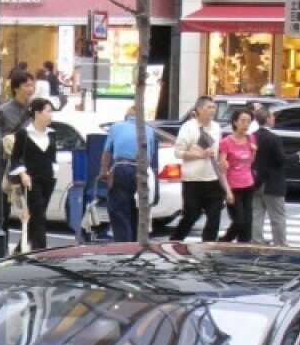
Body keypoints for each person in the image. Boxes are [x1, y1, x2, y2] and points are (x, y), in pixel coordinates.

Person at [172, 96, 228, 242]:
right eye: (209, 108)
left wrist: (223, 160)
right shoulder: (188, 128)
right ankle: (175, 240)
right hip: (193, 180)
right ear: (200, 109)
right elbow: (178, 152)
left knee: (215, 213)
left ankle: (208, 244)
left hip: (213, 178)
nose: (213, 111)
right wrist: (200, 154)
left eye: (214, 108)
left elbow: (219, 148)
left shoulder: (216, 127)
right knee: (192, 214)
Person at [98, 109, 158, 243]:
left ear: (126, 117)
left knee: (119, 209)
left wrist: (103, 172)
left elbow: (107, 152)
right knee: (138, 209)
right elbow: (150, 154)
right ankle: (137, 242)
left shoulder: (116, 127)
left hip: (121, 168)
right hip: (141, 170)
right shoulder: (148, 129)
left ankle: (124, 244)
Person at [8, 96, 57, 251]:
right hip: (30, 181)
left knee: (37, 215)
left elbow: (52, 156)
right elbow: (16, 157)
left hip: (48, 179)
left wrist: (54, 171)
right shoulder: (24, 133)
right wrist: (23, 174)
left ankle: (18, 249)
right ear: (37, 113)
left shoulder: (52, 133)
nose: (50, 115)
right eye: (48, 111)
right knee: (39, 216)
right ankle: (40, 252)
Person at [250, 102, 288, 246]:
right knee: (277, 217)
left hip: (255, 180)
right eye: (272, 117)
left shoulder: (252, 137)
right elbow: (281, 160)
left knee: (256, 215)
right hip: (272, 182)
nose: (274, 119)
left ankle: (256, 241)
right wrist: (297, 157)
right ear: (267, 119)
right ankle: (280, 244)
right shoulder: (274, 139)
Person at [218, 106, 258, 243]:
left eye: (248, 121)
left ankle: (244, 249)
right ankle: (224, 241)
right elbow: (222, 169)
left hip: (248, 184)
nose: (245, 124)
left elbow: (251, 162)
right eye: (242, 121)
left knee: (248, 223)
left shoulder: (251, 139)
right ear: (235, 122)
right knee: (239, 221)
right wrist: (228, 192)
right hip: (233, 187)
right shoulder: (226, 142)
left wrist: (254, 152)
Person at [0, 67, 35, 144]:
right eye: (26, 86)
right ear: (16, 88)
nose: (30, 89)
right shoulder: (3, 111)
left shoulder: (35, 109)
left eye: (32, 85)